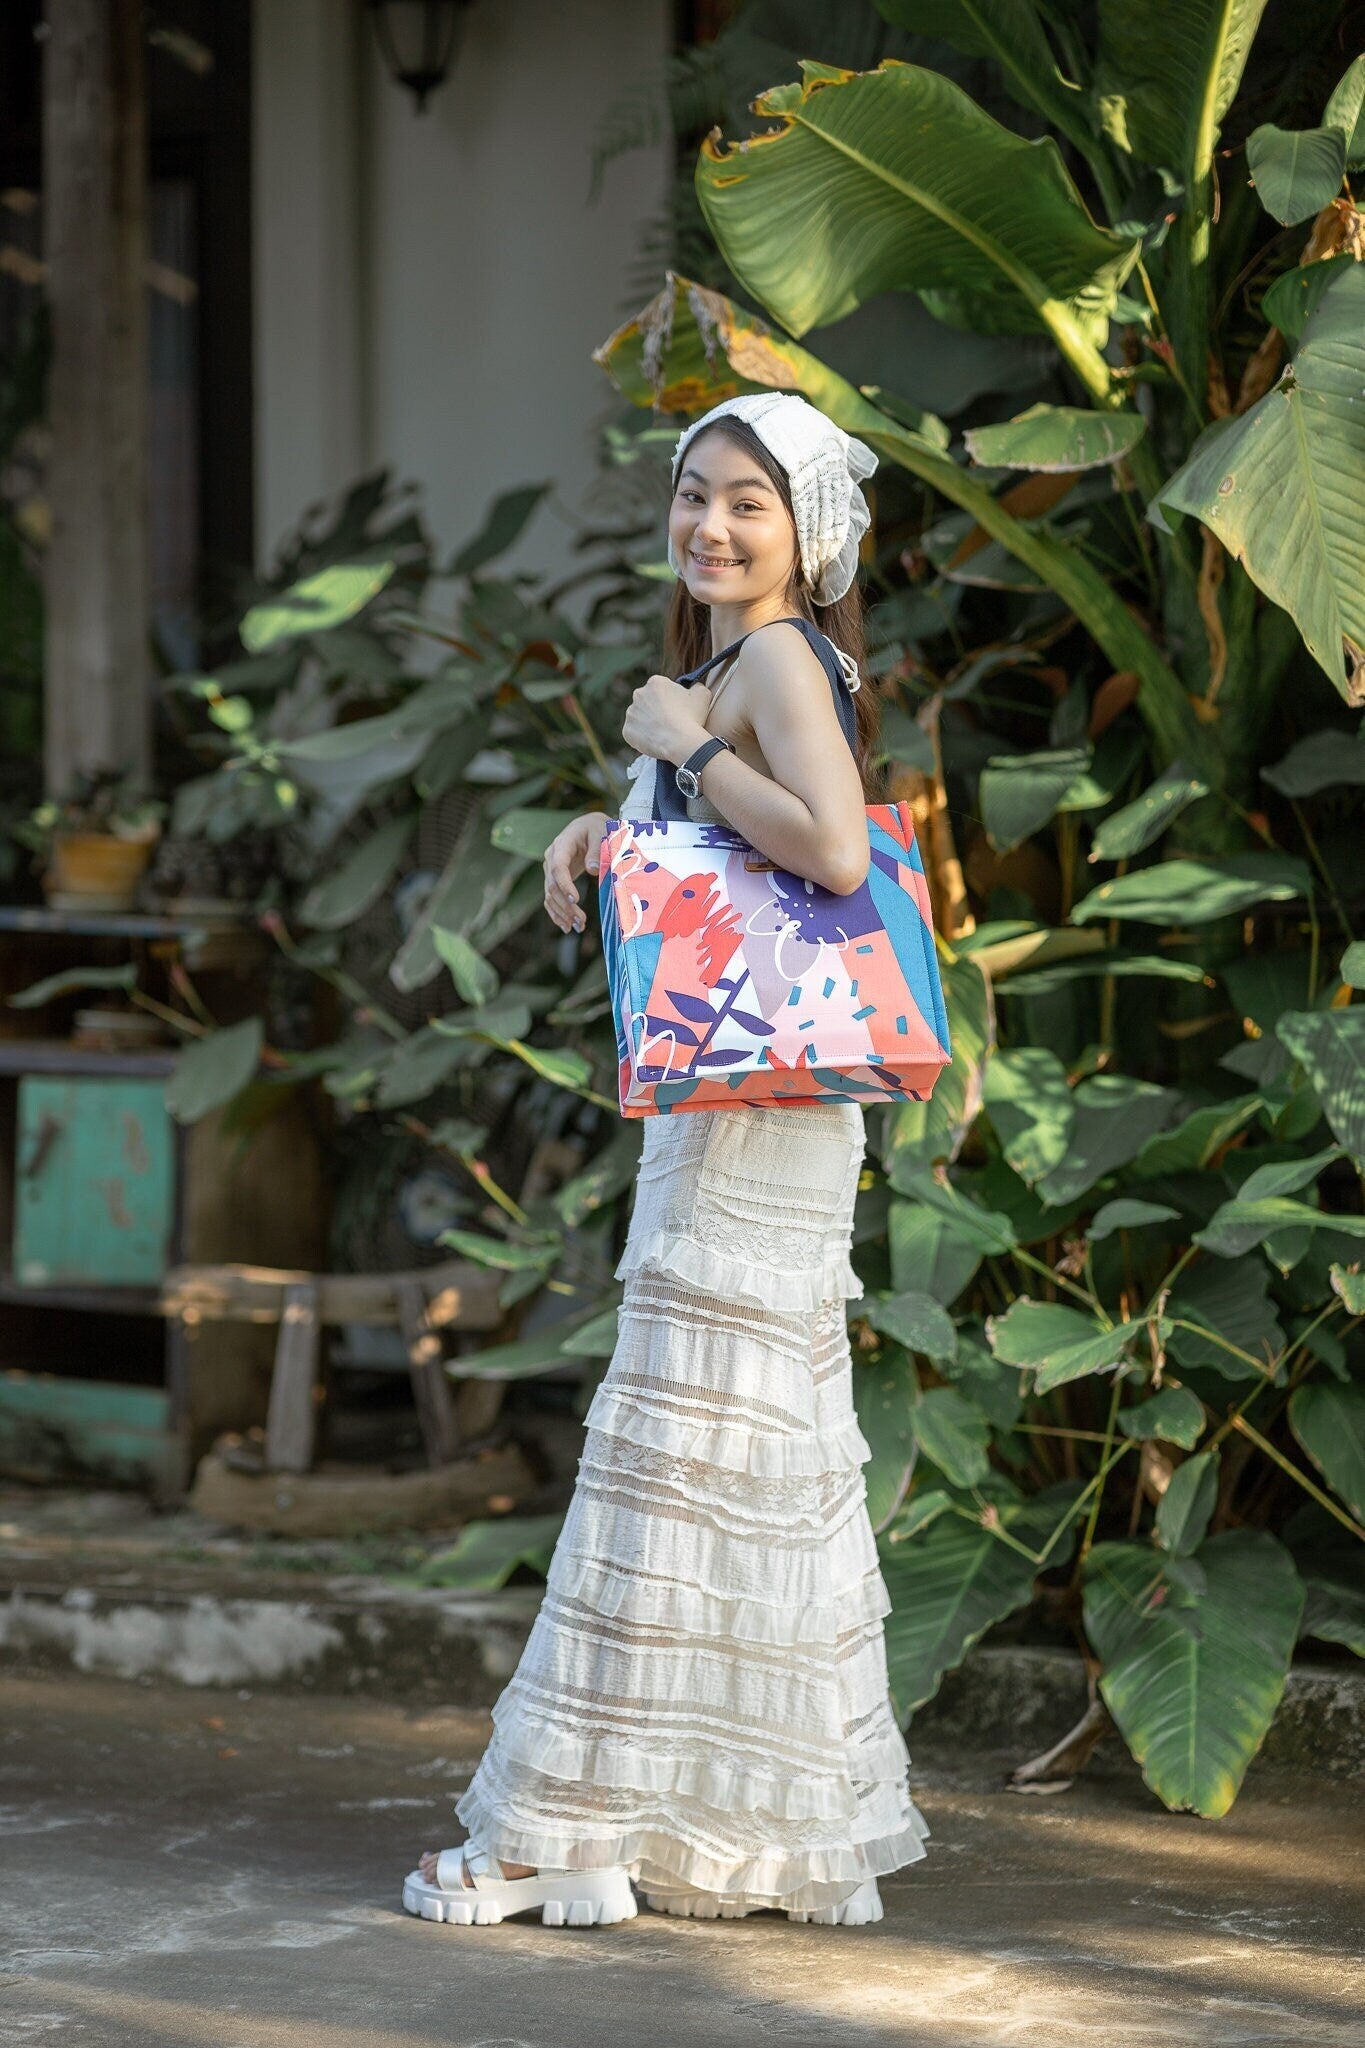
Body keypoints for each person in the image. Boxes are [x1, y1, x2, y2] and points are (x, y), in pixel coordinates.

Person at [401, 391, 932, 1930]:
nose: (709, 524)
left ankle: (559, 1827)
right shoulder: (732, 668)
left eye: (747, 502)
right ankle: (664, 1827)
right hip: (740, 1106)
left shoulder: (770, 660)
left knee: (685, 1457)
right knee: (716, 1464)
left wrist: (685, 751)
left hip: (753, 1120)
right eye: (694, 493)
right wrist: (608, 823)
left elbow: (830, 849)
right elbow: (734, 841)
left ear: (806, 530)